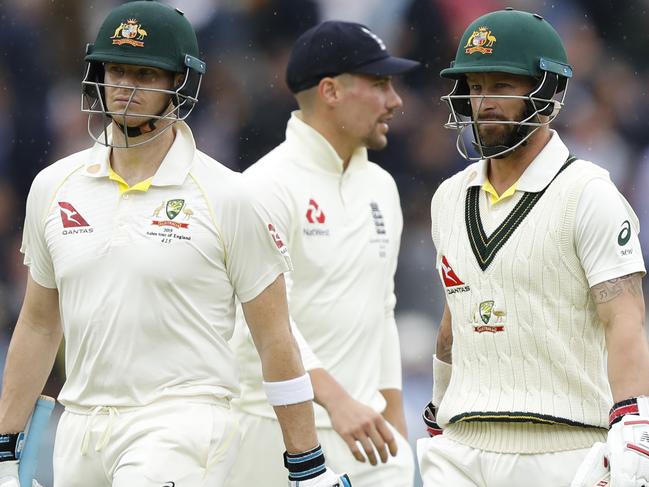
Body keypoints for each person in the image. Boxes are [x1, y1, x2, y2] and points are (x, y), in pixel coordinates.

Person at [0, 2, 351, 486]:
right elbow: (39, 324)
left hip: (182, 425)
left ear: (179, 83)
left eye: (145, 73)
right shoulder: (54, 186)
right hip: (79, 429)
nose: (125, 86)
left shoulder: (230, 195)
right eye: (115, 70)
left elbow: (274, 338)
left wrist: (306, 463)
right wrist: (5, 447)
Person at [417, 7, 649, 487]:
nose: (485, 103)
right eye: (476, 88)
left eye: (502, 86)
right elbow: (453, 320)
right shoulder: (448, 198)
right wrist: (438, 410)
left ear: (547, 93)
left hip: (562, 449)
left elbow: (624, 317)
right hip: (460, 447)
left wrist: (634, 421)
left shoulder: (588, 194)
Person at [226, 20, 419, 487]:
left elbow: (382, 309)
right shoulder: (261, 188)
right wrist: (336, 399)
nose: (395, 101)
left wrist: (393, 417)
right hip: (273, 439)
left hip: (370, 438)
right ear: (330, 91)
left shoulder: (381, 186)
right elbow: (262, 324)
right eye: (379, 84)